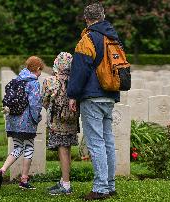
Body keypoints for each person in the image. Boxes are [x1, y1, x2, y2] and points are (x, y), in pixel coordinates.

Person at [67, 2, 120, 201]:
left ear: (86, 19)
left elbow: (80, 70)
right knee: (108, 141)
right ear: (103, 16)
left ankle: (100, 188)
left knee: (96, 142)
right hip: (110, 95)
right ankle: (110, 185)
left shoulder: (87, 39)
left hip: (92, 97)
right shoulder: (113, 37)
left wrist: (73, 94)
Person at [0, 56, 44, 190]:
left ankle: (1, 171)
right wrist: (36, 118)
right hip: (26, 122)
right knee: (29, 148)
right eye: (40, 71)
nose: (40, 74)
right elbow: (35, 104)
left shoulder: (17, 79)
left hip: (12, 120)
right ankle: (24, 180)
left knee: (18, 148)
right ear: (37, 69)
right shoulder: (33, 82)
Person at [41, 52, 79, 195]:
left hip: (57, 122)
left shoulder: (50, 81)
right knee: (67, 149)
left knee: (62, 150)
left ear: (56, 64)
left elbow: (44, 102)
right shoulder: (75, 81)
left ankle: (66, 186)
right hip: (72, 120)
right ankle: (64, 180)